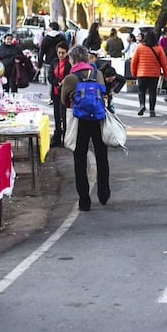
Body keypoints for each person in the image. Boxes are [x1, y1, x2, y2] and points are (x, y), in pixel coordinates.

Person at [60, 45, 110, 211]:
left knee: (80, 158)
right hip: (98, 119)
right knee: (102, 155)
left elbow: (63, 100)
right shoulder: (98, 74)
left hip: (80, 120)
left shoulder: (71, 78)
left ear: (72, 59)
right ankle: (104, 192)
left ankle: (84, 199)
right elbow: (104, 93)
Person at [131, 30, 167, 117]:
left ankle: (142, 105)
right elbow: (164, 63)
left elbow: (134, 62)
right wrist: (166, 75)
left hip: (142, 73)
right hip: (154, 74)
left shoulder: (139, 47)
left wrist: (134, 73)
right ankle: (152, 110)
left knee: (141, 91)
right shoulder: (159, 48)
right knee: (152, 92)